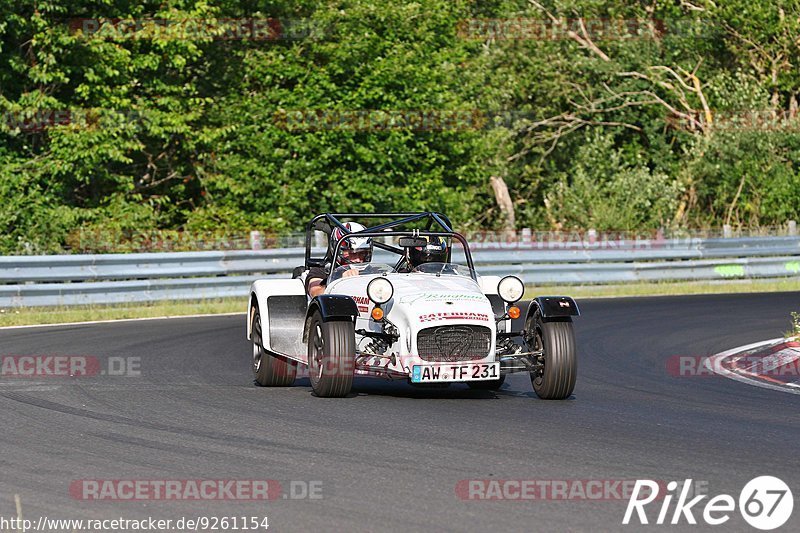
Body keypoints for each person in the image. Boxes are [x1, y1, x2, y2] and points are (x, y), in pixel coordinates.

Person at [305, 222, 373, 297]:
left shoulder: (373, 271)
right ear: (337, 251)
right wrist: (340, 281)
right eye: (352, 254)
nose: (358, 259)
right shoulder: (322, 270)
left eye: (362, 253)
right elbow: (315, 292)